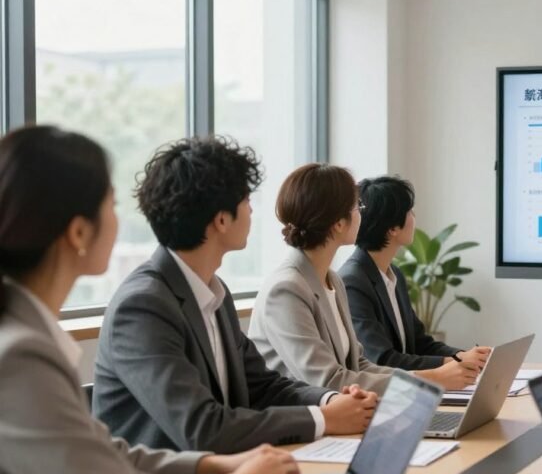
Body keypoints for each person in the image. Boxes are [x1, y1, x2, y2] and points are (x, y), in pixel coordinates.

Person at [0, 126, 299, 474]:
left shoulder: (26, 338)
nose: (121, 220)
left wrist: (210, 465)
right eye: (112, 205)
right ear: (79, 233)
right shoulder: (20, 356)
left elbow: (101, 452)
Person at [93, 136, 377, 454]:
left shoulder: (214, 292)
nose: (252, 209)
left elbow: (262, 385)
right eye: (245, 200)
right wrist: (323, 419)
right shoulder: (143, 306)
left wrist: (331, 399)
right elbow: (203, 428)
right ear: (222, 220)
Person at [249, 164, 479, 392]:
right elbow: (328, 381)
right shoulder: (286, 289)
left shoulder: (332, 281)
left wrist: (430, 376)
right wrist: (431, 379)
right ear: (339, 223)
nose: (362, 213)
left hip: (342, 413)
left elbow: (359, 365)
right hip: (303, 423)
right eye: (357, 206)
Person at [339, 175, 491, 373]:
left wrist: (462, 356)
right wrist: (451, 364)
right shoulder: (352, 282)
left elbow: (420, 344)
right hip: (381, 396)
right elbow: (382, 360)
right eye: (409, 211)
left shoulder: (395, 275)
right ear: (392, 228)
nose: (414, 217)